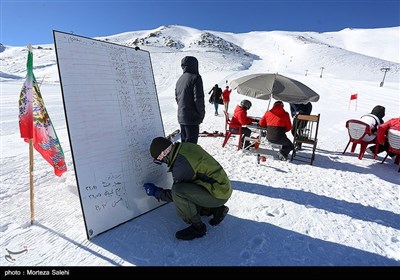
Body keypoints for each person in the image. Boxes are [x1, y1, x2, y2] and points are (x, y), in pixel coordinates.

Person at [143, 137, 232, 240]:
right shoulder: (184, 148)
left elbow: (176, 195)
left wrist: (157, 192)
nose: (163, 163)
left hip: (218, 194)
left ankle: (198, 227)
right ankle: (216, 209)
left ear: (163, 154)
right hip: (222, 188)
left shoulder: (181, 165)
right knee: (188, 192)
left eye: (160, 161)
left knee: (179, 193)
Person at [175, 56, 205, 144]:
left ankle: (182, 158)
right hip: (192, 118)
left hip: (181, 116)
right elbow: (198, 99)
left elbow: (177, 98)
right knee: (191, 147)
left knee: (184, 145)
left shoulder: (180, 79)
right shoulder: (195, 77)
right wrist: (201, 114)